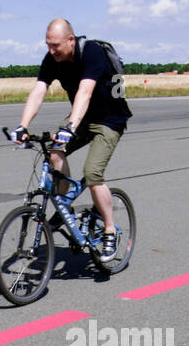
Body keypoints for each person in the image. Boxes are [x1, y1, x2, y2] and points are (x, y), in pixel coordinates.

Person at [13, 18, 131, 260]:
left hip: (110, 120)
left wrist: (70, 127)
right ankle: (64, 205)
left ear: (70, 40)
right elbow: (39, 90)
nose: (51, 50)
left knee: (92, 173)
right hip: (82, 118)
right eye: (48, 45)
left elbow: (84, 92)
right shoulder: (53, 59)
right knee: (54, 151)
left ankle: (109, 231)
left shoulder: (92, 52)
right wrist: (23, 126)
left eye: (55, 45)